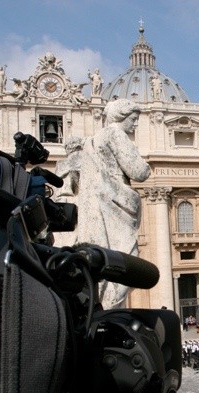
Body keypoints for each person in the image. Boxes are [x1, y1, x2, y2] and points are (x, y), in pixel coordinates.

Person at [72, 99, 151, 309]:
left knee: (106, 263)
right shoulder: (115, 133)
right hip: (115, 207)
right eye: (133, 119)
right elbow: (139, 171)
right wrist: (147, 166)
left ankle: (102, 309)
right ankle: (110, 310)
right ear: (121, 116)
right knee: (125, 261)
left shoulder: (91, 141)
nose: (135, 125)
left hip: (98, 208)